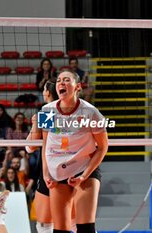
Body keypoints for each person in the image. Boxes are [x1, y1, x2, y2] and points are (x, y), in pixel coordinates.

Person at [41, 70, 108, 233]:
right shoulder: (47, 111)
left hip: (84, 170)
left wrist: (84, 175)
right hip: (58, 172)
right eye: (58, 81)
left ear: (77, 86)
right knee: (60, 230)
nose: (61, 83)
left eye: (66, 80)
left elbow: (103, 148)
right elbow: (45, 145)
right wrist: (46, 173)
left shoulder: (90, 112)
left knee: (85, 228)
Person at [26, 79, 60, 232]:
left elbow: (30, 147)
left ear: (47, 93)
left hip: (51, 169)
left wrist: (34, 123)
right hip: (73, 167)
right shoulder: (72, 109)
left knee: (45, 224)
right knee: (76, 221)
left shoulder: (47, 111)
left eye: (44, 90)